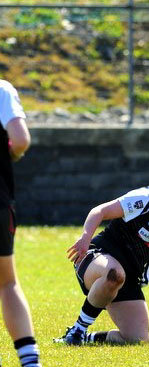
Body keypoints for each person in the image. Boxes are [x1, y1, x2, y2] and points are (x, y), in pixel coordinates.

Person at [56, 156, 149, 345]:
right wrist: (85, 238)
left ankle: (88, 339)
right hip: (95, 258)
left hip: (127, 277)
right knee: (115, 273)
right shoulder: (144, 199)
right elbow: (100, 211)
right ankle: (78, 330)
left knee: (138, 339)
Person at [0, 80, 42, 366]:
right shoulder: (2, 89)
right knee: (7, 282)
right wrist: (12, 153)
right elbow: (21, 139)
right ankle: (29, 360)